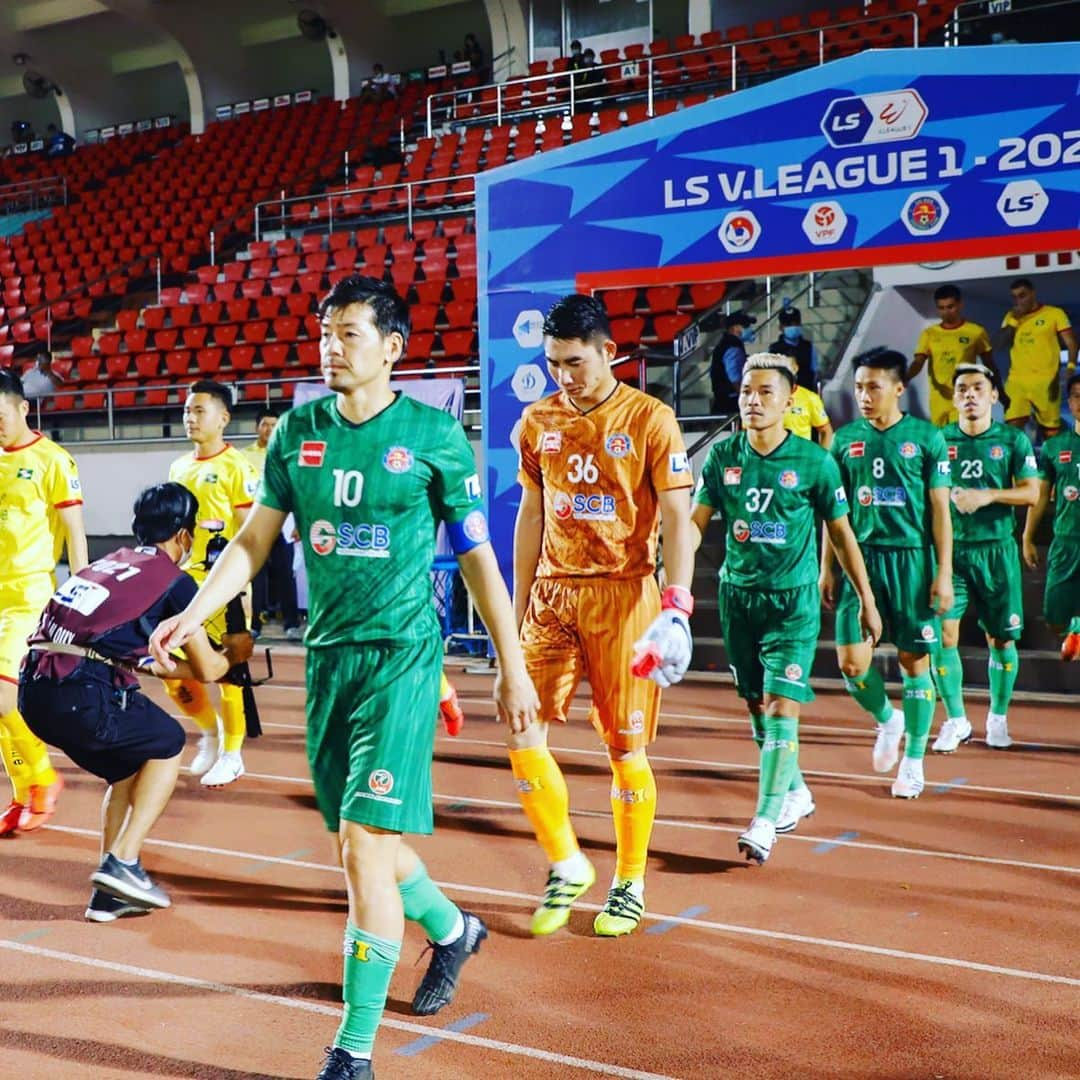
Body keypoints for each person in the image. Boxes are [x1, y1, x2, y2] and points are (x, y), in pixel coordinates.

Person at [149, 275, 539, 1080]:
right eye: (326, 333)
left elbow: (478, 561)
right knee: (360, 842)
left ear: (392, 348)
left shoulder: (434, 436)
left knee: (364, 843)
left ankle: (352, 1052)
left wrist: (512, 666)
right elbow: (254, 543)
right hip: (327, 661)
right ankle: (454, 928)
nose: (332, 346)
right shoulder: (296, 433)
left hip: (401, 657)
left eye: (350, 334)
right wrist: (193, 611)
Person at [511, 293, 695, 938]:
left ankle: (629, 881)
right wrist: (515, 609)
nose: (565, 375)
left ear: (608, 352)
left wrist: (677, 604)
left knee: (623, 748)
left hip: (625, 595)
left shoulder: (651, 418)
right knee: (521, 727)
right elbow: (531, 513)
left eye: (575, 362)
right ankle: (566, 862)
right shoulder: (537, 421)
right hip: (553, 595)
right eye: (555, 363)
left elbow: (677, 517)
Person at [19, 483, 250, 921]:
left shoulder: (109, 563)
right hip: (80, 691)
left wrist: (198, 665)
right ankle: (122, 862)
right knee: (165, 741)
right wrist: (234, 655)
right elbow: (207, 669)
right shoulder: (174, 581)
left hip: (36, 687)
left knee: (127, 769)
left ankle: (109, 894)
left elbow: (148, 664)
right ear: (184, 536)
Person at [692, 355, 881, 862]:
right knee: (756, 705)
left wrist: (866, 598)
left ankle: (764, 819)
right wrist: (669, 568)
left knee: (781, 706)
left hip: (792, 603)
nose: (753, 401)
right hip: (737, 597)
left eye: (765, 393)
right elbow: (695, 522)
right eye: (746, 392)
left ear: (789, 401)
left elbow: (841, 532)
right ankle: (795, 791)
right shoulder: (721, 456)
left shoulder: (816, 462)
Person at [822, 347, 953, 799]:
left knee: (914, 662)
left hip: (912, 562)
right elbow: (832, 516)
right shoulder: (842, 440)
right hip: (861, 562)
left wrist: (943, 572)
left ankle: (914, 761)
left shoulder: (927, 438)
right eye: (858, 387)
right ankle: (887, 719)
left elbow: (940, 510)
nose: (863, 395)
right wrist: (827, 569)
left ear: (899, 388)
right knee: (852, 664)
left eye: (873, 387)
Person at [930, 364, 1039, 753]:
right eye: (962, 389)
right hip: (949, 552)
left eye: (978, 388)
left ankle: (998, 717)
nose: (970, 394)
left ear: (994, 396)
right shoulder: (938, 440)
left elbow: (1031, 493)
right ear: (953, 397)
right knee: (943, 634)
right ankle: (956, 719)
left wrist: (987, 496)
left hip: (997, 550)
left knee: (1001, 639)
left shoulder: (1012, 440)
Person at [0, 367, 87, 836]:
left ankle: (45, 779)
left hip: (29, 593)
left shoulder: (54, 460)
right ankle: (19, 793)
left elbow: (74, 536)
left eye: (0, 415)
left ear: (22, 408)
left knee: (3, 695)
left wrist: (80, 598)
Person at [165, 380, 260, 788]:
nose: (190, 418)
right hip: (182, 584)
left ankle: (233, 754)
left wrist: (246, 588)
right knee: (169, 666)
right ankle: (208, 731)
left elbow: (251, 533)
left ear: (223, 417)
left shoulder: (239, 468)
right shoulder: (178, 468)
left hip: (222, 586)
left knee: (228, 670)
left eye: (199, 411)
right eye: (187, 411)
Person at [1022, 372, 1080, 664]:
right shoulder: (1055, 447)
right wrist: (1027, 537)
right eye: (1077, 396)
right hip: (1067, 541)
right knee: (1054, 617)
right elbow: (1041, 495)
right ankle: (1074, 627)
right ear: (1069, 402)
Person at [242, 408, 300, 641]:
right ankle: (253, 624)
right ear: (257, 427)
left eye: (274, 425)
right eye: (265, 424)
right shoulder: (242, 456)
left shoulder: (289, 454)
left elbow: (296, 491)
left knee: (286, 575)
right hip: (255, 524)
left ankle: (292, 624)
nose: (269, 429)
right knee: (256, 577)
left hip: (283, 525)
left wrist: (299, 522)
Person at [999, 278, 1077, 440]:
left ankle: (1056, 462)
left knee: (1051, 433)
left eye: (1023, 295)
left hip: (1046, 381)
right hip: (1017, 381)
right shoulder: (1011, 316)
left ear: (1033, 293)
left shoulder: (1054, 313)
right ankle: (1017, 464)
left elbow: (1071, 343)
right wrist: (1014, 320)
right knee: (1012, 430)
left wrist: (1069, 368)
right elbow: (1000, 344)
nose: (1019, 301)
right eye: (1015, 297)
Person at [907, 285, 996, 427]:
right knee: (941, 444)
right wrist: (906, 377)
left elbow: (990, 364)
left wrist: (998, 391)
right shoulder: (929, 334)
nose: (946, 312)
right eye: (941, 308)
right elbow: (918, 362)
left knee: (960, 441)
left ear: (960, 305)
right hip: (938, 399)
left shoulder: (975, 332)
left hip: (964, 396)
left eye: (950, 307)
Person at [710, 311, 756, 414]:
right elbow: (736, 380)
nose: (749, 329)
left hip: (723, 402)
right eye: (746, 326)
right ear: (734, 328)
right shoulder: (733, 348)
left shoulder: (725, 345)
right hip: (730, 404)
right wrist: (747, 401)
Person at [769, 307, 819, 391]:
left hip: (806, 395)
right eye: (788, 324)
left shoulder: (809, 347)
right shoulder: (774, 350)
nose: (792, 326)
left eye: (795, 323)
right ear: (781, 327)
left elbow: (815, 373)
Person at [783, 379, 833, 447]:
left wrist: (822, 456)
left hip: (800, 455)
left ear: (795, 368)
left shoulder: (810, 398)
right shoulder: (766, 397)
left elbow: (826, 431)